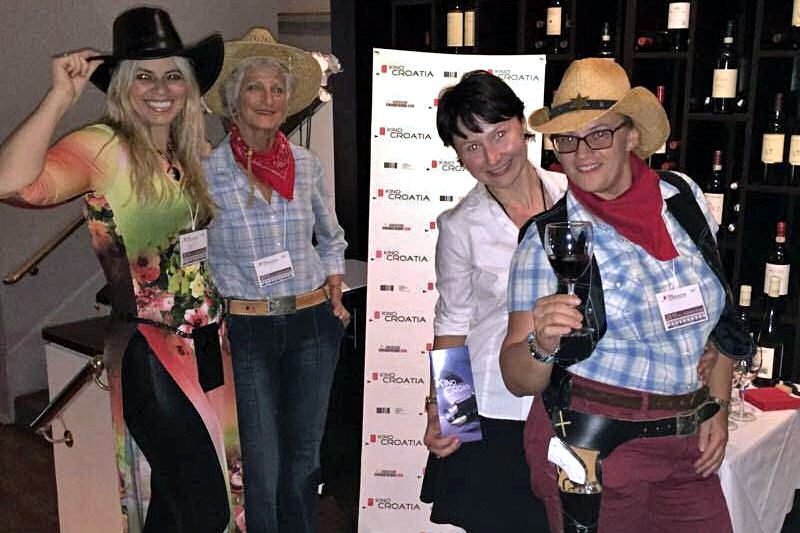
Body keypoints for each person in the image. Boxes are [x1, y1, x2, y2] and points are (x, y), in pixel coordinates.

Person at [0, 7, 244, 532]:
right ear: (122, 86)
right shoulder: (103, 145)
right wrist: (60, 98)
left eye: (173, 74)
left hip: (205, 345)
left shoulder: (180, 152)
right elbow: (11, 183)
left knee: (178, 502)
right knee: (205, 507)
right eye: (143, 76)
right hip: (151, 350)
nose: (160, 89)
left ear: (189, 85)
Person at [499, 58, 754, 533]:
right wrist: (543, 343)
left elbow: (716, 316)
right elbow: (516, 376)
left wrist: (716, 406)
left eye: (599, 134)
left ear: (631, 134)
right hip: (594, 446)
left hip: (685, 446)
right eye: (567, 139)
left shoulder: (683, 199)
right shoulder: (550, 238)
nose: (581, 153)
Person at [203, 29, 348, 532]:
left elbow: (331, 237)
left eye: (277, 89)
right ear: (233, 100)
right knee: (261, 466)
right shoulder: (206, 171)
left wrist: (335, 287)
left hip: (312, 324)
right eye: (254, 88)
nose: (267, 99)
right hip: (248, 331)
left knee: (305, 461)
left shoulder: (306, 166)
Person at [419, 70, 562, 532]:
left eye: (500, 134)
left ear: (523, 124)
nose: (492, 157)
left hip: (572, 401)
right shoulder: (460, 224)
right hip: (495, 409)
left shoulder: (572, 196)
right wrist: (446, 414)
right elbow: (452, 323)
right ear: (458, 155)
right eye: (472, 146)